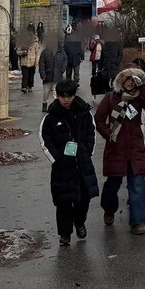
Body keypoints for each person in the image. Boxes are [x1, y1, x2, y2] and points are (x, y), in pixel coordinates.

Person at [94, 67, 145, 234]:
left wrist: (143, 86)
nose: (130, 82)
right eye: (127, 79)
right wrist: (109, 134)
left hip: (135, 148)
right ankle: (109, 209)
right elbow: (99, 118)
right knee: (112, 185)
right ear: (121, 81)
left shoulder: (139, 97)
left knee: (137, 184)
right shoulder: (111, 98)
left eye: (133, 80)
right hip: (115, 149)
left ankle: (138, 221)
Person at [40, 80, 98, 246]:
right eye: (62, 96)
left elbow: (91, 133)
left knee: (83, 200)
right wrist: (56, 159)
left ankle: (79, 222)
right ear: (57, 96)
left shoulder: (84, 113)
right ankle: (65, 234)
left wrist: (87, 152)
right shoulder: (51, 117)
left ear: (74, 95)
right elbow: (45, 139)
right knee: (63, 202)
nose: (66, 99)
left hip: (82, 164)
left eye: (69, 96)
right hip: (62, 168)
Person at [39, 42, 68, 112]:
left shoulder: (61, 51)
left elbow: (65, 60)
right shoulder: (45, 52)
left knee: (56, 91)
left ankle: (57, 105)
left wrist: (62, 70)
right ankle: (44, 103)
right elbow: (42, 64)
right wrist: (43, 74)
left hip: (57, 75)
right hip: (48, 75)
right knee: (46, 92)